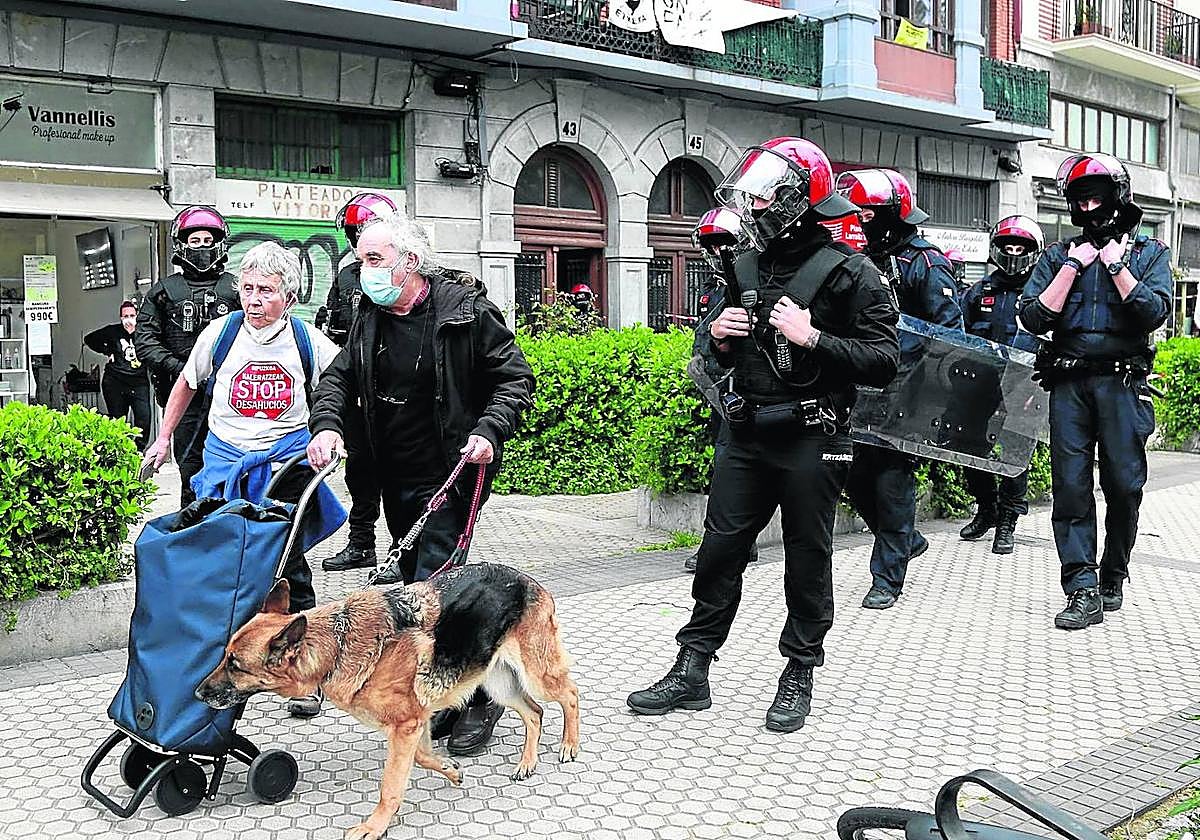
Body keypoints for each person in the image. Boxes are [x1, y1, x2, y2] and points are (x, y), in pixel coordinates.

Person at [625, 137, 899, 733]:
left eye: (767, 196)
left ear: (801, 199)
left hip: (813, 434)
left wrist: (815, 339)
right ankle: (692, 668)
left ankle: (798, 672)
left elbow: (884, 360)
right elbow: (711, 354)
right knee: (719, 551)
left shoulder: (852, 271)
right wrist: (717, 336)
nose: (754, 208)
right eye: (751, 196)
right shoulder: (743, 264)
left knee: (807, 557)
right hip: (744, 433)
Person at [305, 215, 535, 756]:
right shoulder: (369, 314)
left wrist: (489, 430)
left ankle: (482, 700)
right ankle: (445, 694)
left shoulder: (464, 311)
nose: (363, 272)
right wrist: (328, 425)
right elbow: (339, 376)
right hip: (396, 475)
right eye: (360, 261)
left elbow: (514, 378)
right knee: (413, 587)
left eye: (373, 260)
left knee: (436, 593)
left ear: (408, 262)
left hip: (451, 474)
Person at [142, 241, 344, 717]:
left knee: (288, 565)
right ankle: (222, 661)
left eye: (266, 292)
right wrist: (163, 439)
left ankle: (307, 675)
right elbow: (186, 385)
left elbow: (342, 385)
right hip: (224, 461)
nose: (254, 300)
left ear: (288, 297)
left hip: (286, 464)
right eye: (248, 289)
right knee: (216, 561)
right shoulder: (222, 332)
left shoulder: (307, 339)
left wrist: (331, 433)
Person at [1018, 153, 1171, 630]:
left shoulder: (1149, 254)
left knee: (1124, 487)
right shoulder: (1058, 256)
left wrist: (1117, 267)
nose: (1087, 206)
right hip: (1069, 387)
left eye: (1095, 196)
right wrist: (1071, 267)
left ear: (1117, 196)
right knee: (1070, 490)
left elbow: (1153, 314)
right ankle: (1081, 589)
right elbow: (1033, 317)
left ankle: (1113, 575)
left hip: (1123, 385)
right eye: (1078, 198)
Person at [836, 168, 964, 610]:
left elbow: (950, 335)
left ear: (893, 214)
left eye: (867, 215)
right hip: (859, 387)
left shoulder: (925, 262)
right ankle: (906, 539)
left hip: (906, 392)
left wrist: (931, 395)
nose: (859, 221)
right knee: (851, 476)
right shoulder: (854, 257)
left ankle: (886, 578)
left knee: (893, 482)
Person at [135, 206, 240, 507]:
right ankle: (191, 528)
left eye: (208, 240)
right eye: (195, 241)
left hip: (231, 395)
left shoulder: (235, 288)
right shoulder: (163, 291)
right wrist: (183, 371)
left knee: (232, 465)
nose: (202, 247)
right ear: (182, 244)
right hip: (183, 398)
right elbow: (145, 342)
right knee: (191, 468)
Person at [318, 193, 399, 576]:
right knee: (360, 473)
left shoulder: (404, 270)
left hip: (396, 392)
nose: (357, 240)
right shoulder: (348, 275)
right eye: (354, 233)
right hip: (357, 388)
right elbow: (336, 322)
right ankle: (361, 544)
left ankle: (402, 550)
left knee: (399, 473)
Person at [958, 216, 1045, 554]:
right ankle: (987, 508)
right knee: (965, 446)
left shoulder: (1040, 293)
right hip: (981, 383)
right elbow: (957, 332)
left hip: (1022, 387)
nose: (1012, 253)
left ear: (1032, 252)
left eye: (1019, 248)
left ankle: (1008, 520)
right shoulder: (979, 291)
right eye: (1007, 247)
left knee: (1015, 453)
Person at [683, 207, 758, 575]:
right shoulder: (717, 288)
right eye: (711, 245)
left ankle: (719, 548)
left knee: (736, 475)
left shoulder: (752, 283)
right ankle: (740, 544)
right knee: (729, 472)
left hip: (753, 394)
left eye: (725, 244)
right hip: (723, 396)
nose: (717, 253)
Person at [85, 300, 152, 449]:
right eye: (125, 316)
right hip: (115, 381)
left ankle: (139, 450)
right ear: (121, 317)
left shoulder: (143, 332)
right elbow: (89, 339)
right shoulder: (112, 331)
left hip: (138, 382)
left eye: (132, 315)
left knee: (144, 418)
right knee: (117, 419)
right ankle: (119, 449)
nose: (129, 319)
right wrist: (107, 351)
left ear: (137, 316)